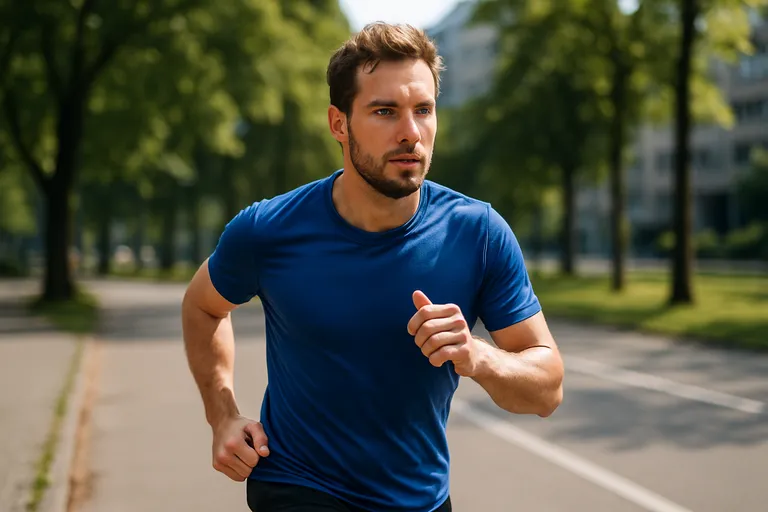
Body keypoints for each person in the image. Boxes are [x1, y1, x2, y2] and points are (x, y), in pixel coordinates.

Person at [181, 22, 564, 512]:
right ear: (339, 124)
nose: (411, 133)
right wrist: (222, 415)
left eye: (423, 110)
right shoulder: (269, 229)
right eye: (385, 111)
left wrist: (478, 356)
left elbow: (547, 390)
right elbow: (203, 306)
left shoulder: (479, 233)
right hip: (297, 488)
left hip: (420, 500)